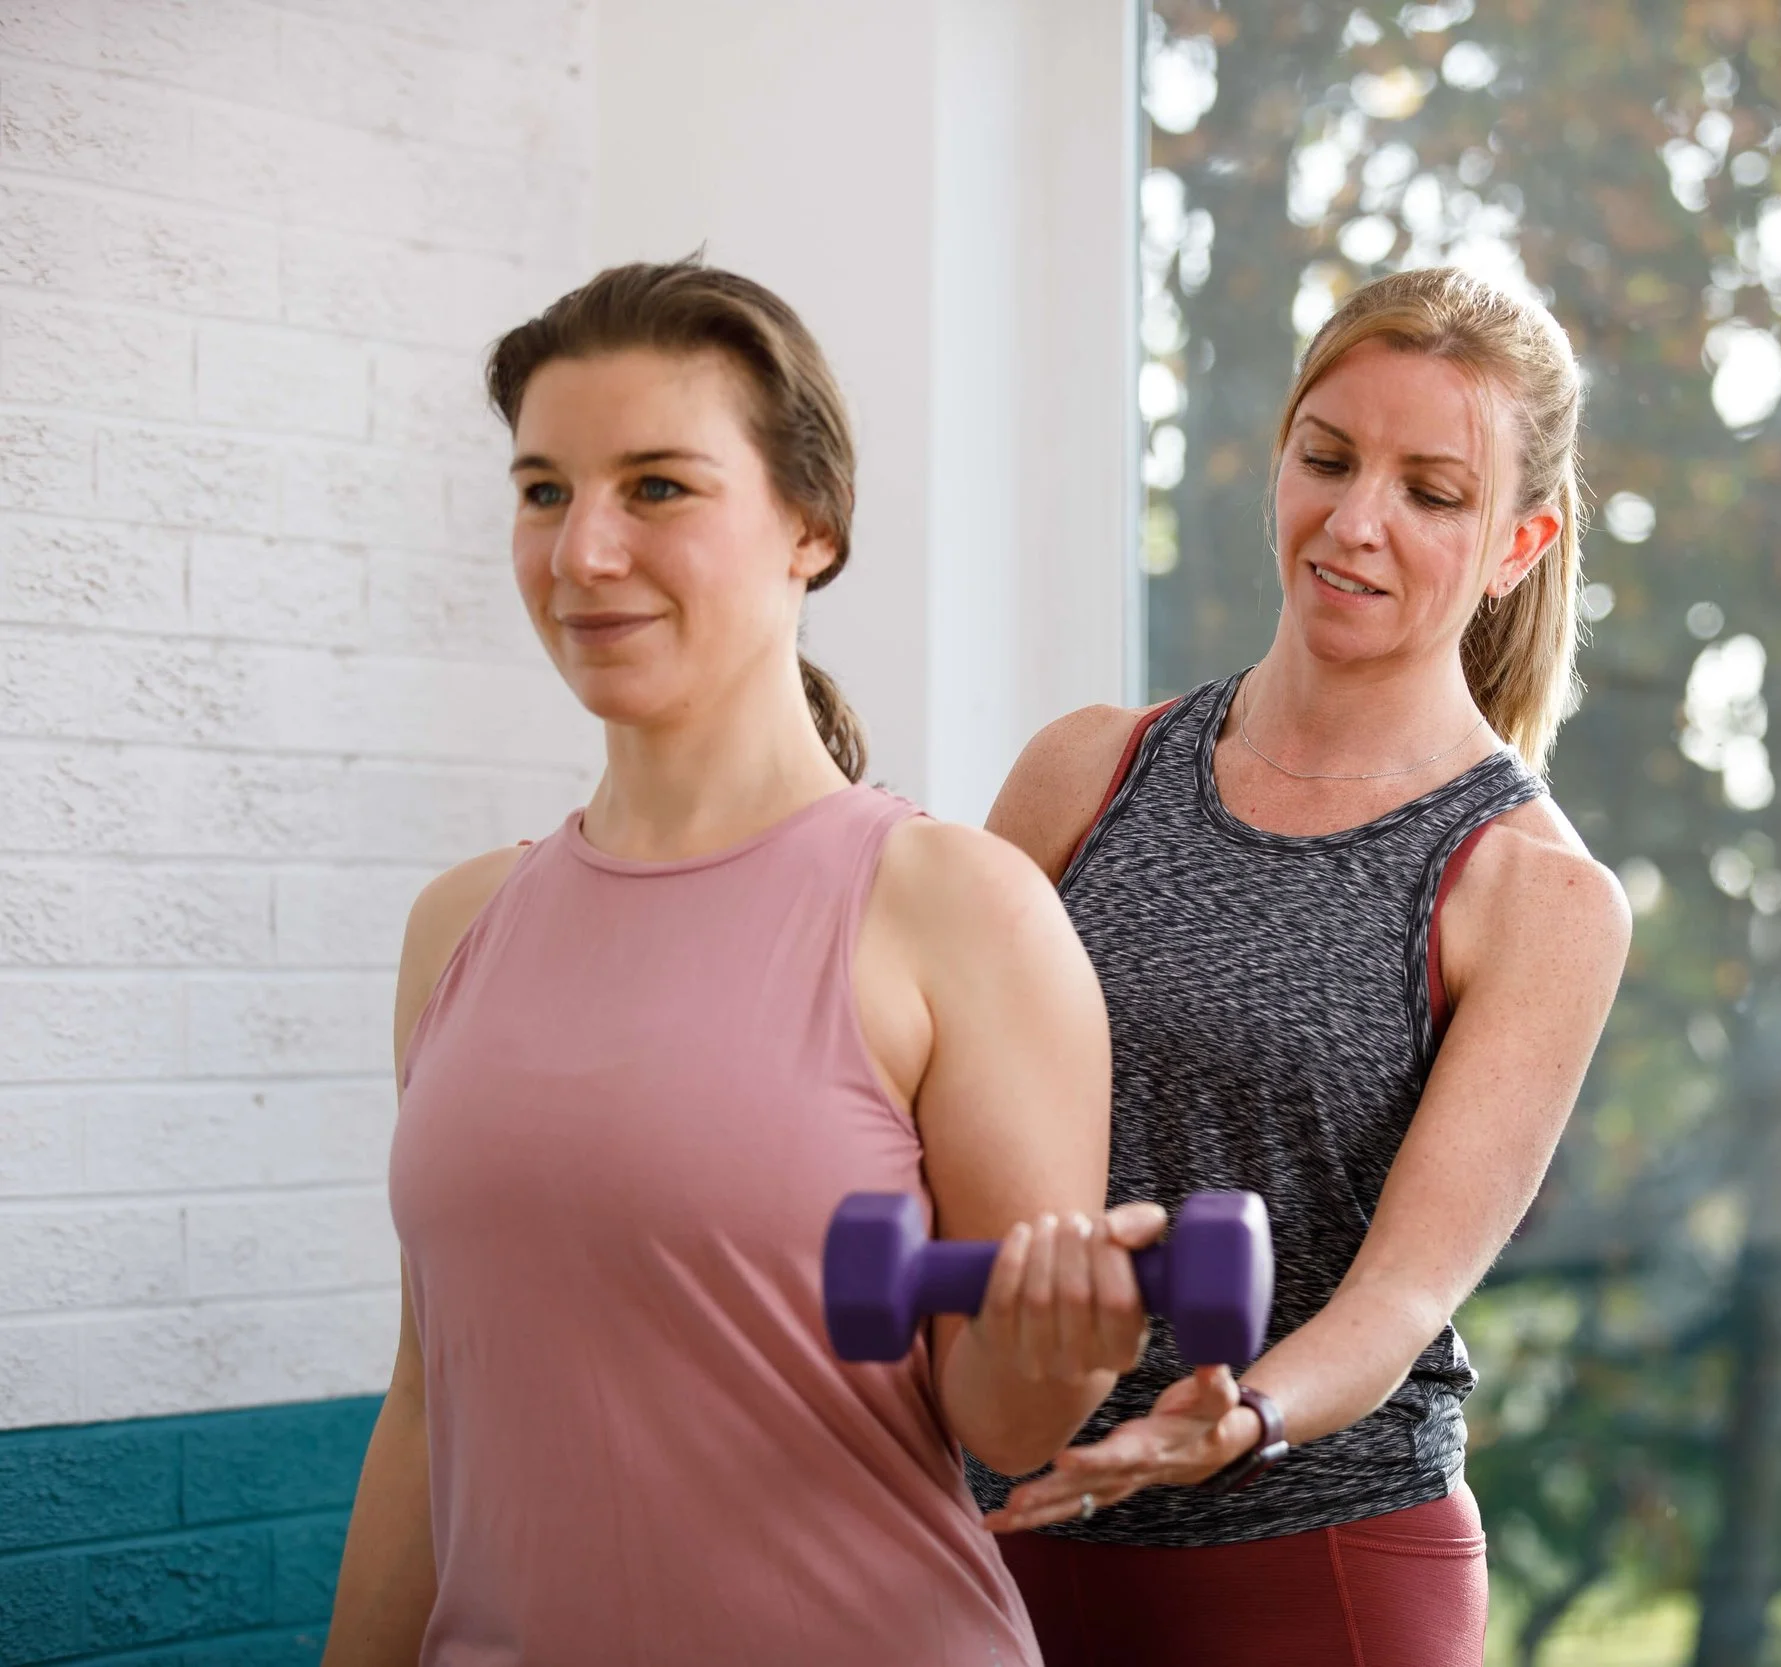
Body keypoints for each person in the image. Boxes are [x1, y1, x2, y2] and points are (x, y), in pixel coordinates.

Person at [323, 260, 1158, 1667]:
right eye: (544, 490)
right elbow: (429, 1400)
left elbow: (1006, 1426)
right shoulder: (456, 926)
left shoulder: (957, 908)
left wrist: (1064, 1344)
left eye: (657, 487)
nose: (584, 551)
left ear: (810, 528)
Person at [971, 266, 1633, 1665]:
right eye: (1327, 458)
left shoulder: (1533, 892)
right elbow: (914, 1119)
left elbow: (1401, 1294)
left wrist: (1244, 1412)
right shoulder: (1083, 771)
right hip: (998, 1544)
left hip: (1308, 1564)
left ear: (1522, 538)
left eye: (1431, 492)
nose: (1355, 521)